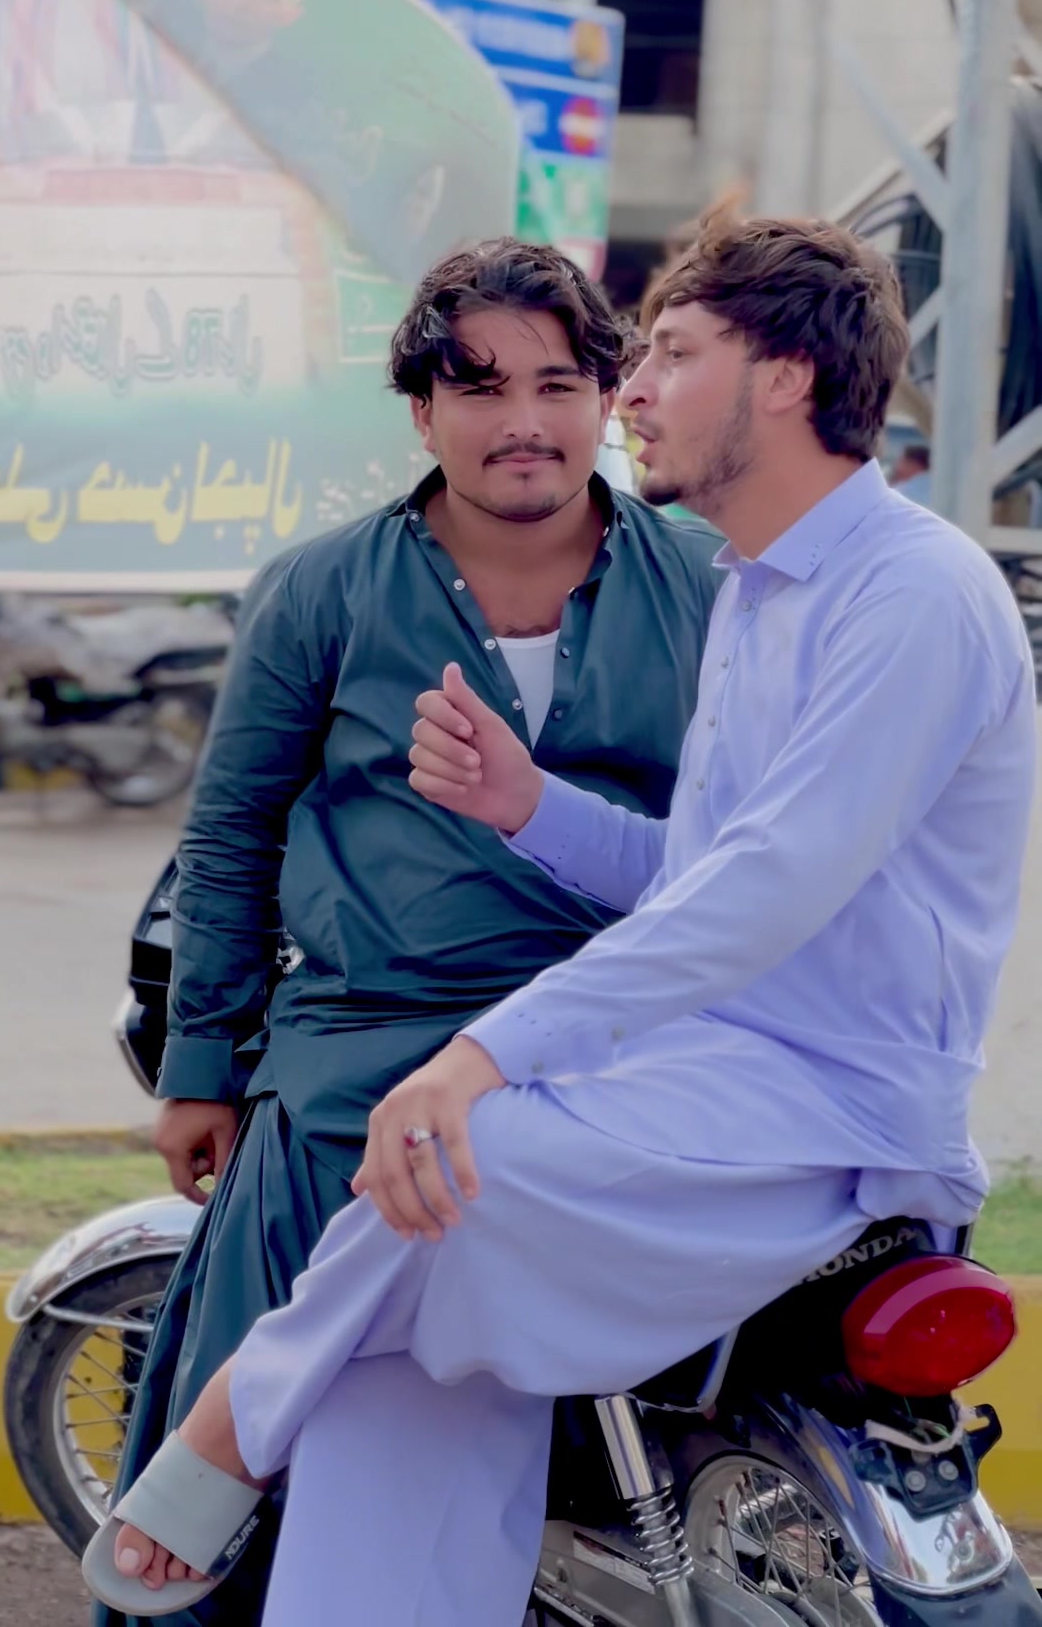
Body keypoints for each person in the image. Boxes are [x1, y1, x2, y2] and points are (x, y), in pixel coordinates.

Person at [101, 206, 1037, 1627]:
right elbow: (697, 870)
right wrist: (529, 805)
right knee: (406, 1353)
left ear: (786, 377)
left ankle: (231, 1423)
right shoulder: (757, 592)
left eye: (667, 356)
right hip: (679, 1063)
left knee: (452, 1158)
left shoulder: (909, 593)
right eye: (489, 385)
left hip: (818, 1100)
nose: (629, 394)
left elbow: (765, 887)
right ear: (424, 410)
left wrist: (481, 1055)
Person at [93, 237, 720, 1627]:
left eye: (556, 384)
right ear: (423, 412)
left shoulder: (710, 582)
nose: (523, 421)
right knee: (260, 1414)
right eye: (479, 387)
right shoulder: (322, 588)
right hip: (362, 1049)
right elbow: (232, 834)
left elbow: (754, 844)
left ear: (607, 397)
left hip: (623, 1033)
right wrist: (201, 1068)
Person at [891, 440, 932, 505]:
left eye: (902, 461)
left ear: (914, 464)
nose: (897, 467)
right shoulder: (938, 485)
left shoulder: (904, 491)